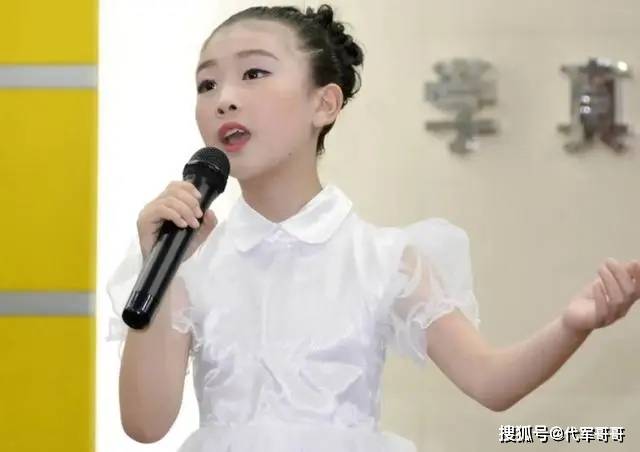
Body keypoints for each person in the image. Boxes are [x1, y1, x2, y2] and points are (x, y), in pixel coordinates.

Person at [105, 4, 640, 451]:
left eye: (254, 73)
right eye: (207, 83)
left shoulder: (383, 258)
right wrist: (162, 269)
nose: (224, 98)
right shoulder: (188, 256)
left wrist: (574, 324)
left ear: (324, 103)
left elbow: (491, 382)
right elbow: (145, 425)